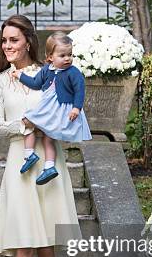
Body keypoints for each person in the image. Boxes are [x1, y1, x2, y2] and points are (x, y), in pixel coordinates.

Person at [0, 15, 81, 257]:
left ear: (27, 40)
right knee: (24, 243)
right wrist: (27, 125)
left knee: (46, 243)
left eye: (13, 40)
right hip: (20, 159)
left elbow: (68, 108)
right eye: (4, 41)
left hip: (49, 157)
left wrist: (51, 123)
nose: (8, 46)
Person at [11, 31, 92, 185]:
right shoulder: (46, 70)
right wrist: (21, 76)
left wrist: (76, 108)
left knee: (37, 128)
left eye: (70, 54)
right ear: (50, 57)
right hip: (48, 108)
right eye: (62, 55)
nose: (68, 58)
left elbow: (80, 90)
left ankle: (39, 161)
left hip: (61, 110)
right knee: (36, 129)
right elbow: (35, 83)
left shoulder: (73, 72)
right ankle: (38, 160)